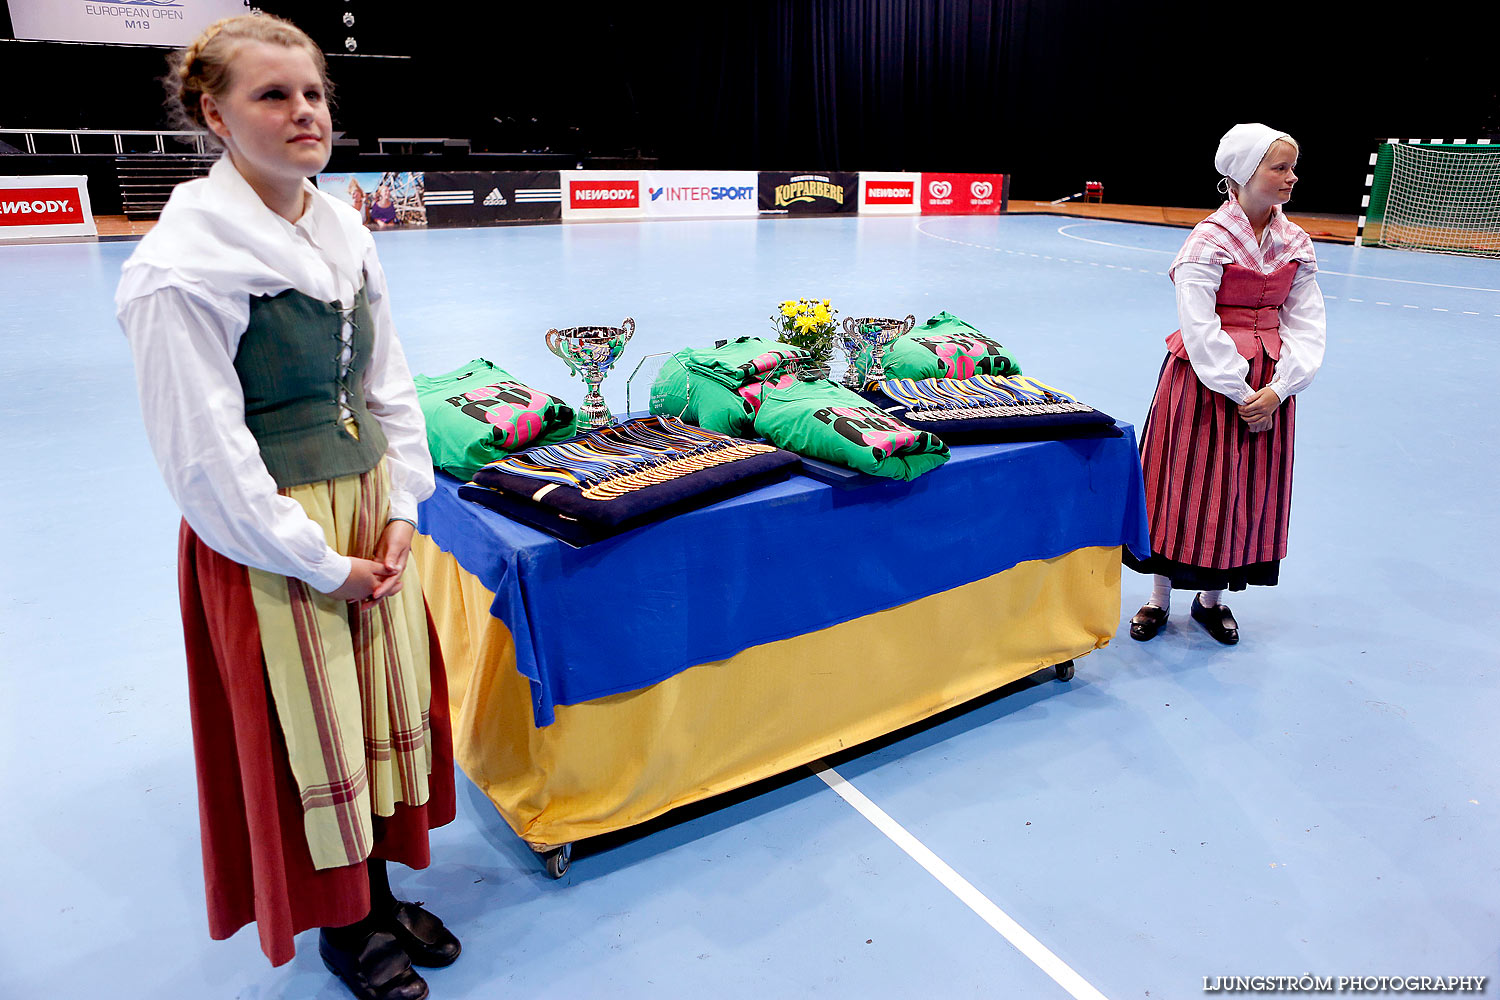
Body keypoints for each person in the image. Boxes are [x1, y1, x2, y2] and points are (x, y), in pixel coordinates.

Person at [115, 15, 459, 1000]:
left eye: (312, 93)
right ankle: (346, 928)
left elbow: (386, 381)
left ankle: (379, 892)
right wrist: (317, 555)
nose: (304, 111)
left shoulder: (340, 223)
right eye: (273, 95)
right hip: (275, 535)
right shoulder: (181, 266)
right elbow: (205, 458)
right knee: (308, 730)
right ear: (214, 114)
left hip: (367, 513)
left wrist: (400, 506)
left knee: (374, 716)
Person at [1124, 123, 1327, 645]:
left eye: (1291, 167)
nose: (1291, 177)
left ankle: (1212, 602)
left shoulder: (1295, 242)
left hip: (1270, 382)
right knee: (1182, 485)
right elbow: (1199, 324)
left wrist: (1280, 390)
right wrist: (1240, 391)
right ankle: (1158, 598)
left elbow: (1305, 320)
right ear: (1244, 173)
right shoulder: (1208, 240)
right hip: (1204, 381)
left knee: (1242, 487)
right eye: (1279, 167)